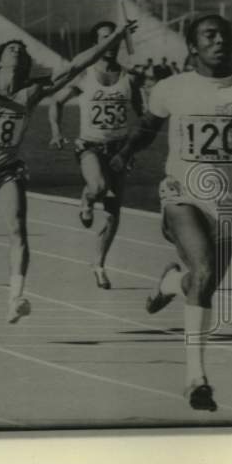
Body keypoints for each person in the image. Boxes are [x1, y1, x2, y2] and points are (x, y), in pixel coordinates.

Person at [110, 14, 232, 411]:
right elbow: (147, 127)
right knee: (206, 271)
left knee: (201, 283)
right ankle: (196, 379)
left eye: (225, 36)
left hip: (228, 202)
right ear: (193, 47)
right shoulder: (172, 88)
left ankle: (169, 284)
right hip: (181, 194)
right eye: (210, 35)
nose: (220, 41)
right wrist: (124, 155)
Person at [0, 21, 135, 323]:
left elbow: (76, 66)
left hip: (8, 172)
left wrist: (113, 39)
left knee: (18, 230)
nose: (17, 52)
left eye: (22, 51)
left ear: (28, 64)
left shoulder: (33, 91)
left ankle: (16, 298)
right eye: (11, 49)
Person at [48, 21, 145, 288]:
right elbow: (56, 101)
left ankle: (99, 264)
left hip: (118, 149)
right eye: (105, 39)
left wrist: (132, 148)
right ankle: (87, 199)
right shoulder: (84, 75)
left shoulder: (129, 77)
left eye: (115, 40)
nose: (111, 45)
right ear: (96, 43)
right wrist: (56, 131)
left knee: (114, 212)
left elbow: (144, 116)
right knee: (99, 186)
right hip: (90, 146)